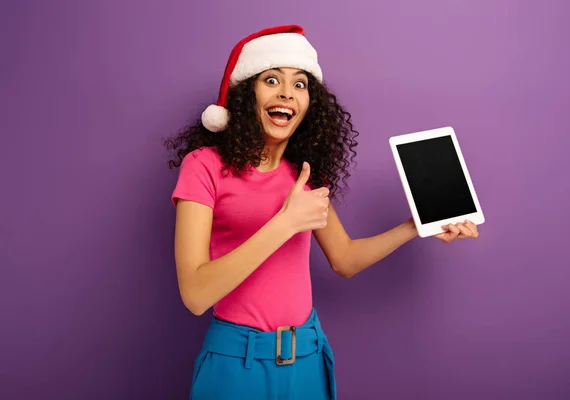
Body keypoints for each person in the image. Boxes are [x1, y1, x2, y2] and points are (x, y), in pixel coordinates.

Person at [164, 24, 479, 400]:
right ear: (247, 93)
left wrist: (417, 225)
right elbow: (196, 294)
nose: (286, 92)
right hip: (237, 363)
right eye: (271, 80)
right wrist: (285, 222)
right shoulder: (205, 165)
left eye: (300, 84)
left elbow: (344, 258)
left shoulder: (304, 173)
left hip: (307, 359)